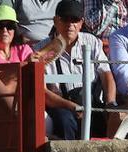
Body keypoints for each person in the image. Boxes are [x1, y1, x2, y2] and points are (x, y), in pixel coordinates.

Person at [35, 0, 116, 138]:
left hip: (90, 102)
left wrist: (110, 104)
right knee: (65, 120)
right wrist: (72, 106)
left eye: (75, 20)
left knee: (106, 119)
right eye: (65, 19)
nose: (70, 24)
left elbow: (107, 75)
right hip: (60, 104)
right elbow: (43, 92)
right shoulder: (41, 49)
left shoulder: (92, 42)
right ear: (55, 21)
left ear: (81, 22)